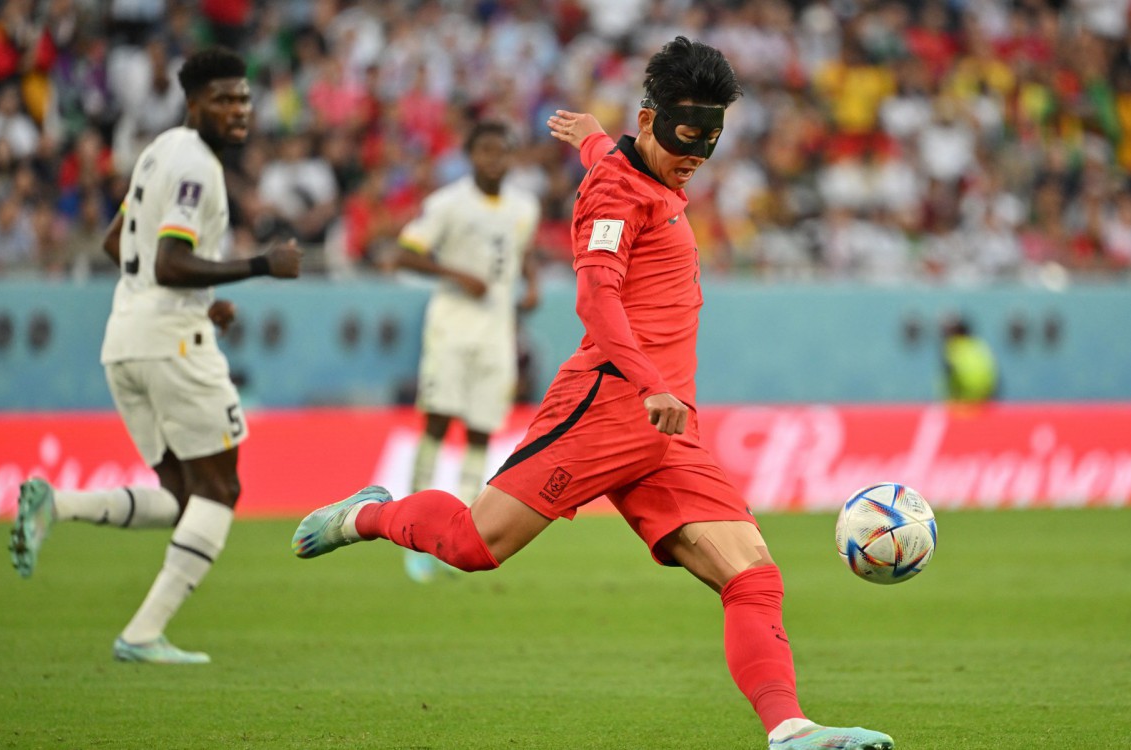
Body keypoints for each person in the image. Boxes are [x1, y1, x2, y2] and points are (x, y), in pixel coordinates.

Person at [291, 37, 893, 750]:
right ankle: (371, 516)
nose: (696, 152)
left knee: (754, 574)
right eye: (683, 136)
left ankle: (789, 729)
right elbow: (596, 298)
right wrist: (649, 385)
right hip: (612, 404)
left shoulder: (633, 167)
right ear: (649, 120)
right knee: (474, 545)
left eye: (710, 138)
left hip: (668, 431)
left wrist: (594, 137)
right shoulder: (613, 189)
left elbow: (620, 159)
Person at [9, 47, 302, 664]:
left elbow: (120, 242)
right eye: (224, 99)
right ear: (193, 103)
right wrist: (260, 266)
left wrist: (202, 302)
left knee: (178, 493)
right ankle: (142, 633)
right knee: (221, 491)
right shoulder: (199, 168)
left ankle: (57, 504)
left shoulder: (158, 150)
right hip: (172, 345)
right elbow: (170, 261)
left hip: (126, 338)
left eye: (244, 98)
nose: (239, 110)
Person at [394, 120, 540, 583]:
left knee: (481, 428)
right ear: (470, 155)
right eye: (484, 151)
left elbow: (522, 252)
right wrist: (457, 274)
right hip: (451, 328)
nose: (493, 160)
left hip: (496, 332)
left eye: (501, 152)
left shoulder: (524, 207)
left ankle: (459, 533)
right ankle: (413, 532)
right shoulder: (447, 204)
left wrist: (532, 284)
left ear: (511, 157)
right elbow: (405, 253)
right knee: (438, 420)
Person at [940, 313, 999, 403]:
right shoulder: (980, 344)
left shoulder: (952, 347)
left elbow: (949, 373)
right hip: (985, 400)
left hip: (962, 402)